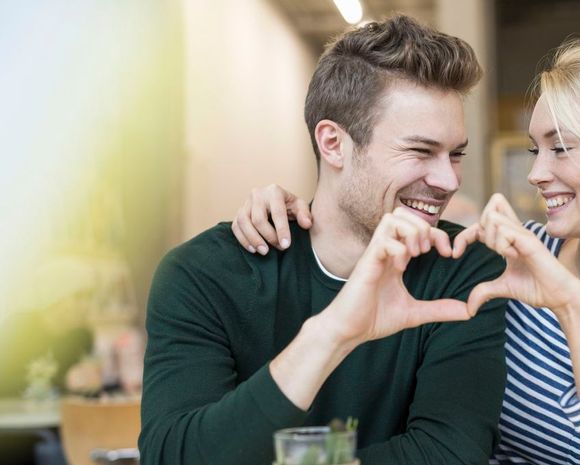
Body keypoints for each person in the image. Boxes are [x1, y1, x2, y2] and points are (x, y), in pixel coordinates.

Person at [234, 24, 580, 465]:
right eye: (535, 149)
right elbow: (373, 216)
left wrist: (574, 309)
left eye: (561, 148)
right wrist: (292, 214)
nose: (538, 174)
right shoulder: (504, 259)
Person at [139, 16, 509, 465]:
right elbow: (174, 456)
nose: (448, 179)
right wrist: (331, 334)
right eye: (420, 151)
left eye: (456, 154)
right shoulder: (205, 274)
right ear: (333, 143)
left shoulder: (462, 266)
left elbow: (452, 451)